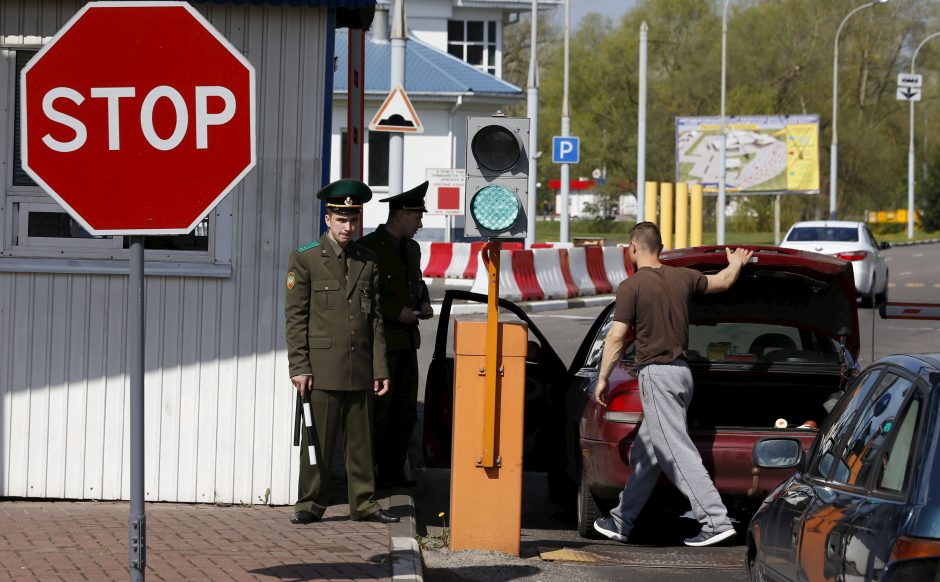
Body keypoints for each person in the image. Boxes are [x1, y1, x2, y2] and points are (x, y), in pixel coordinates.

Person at [592, 221, 752, 547]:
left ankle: (715, 521)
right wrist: (735, 263)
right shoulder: (683, 276)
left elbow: (617, 337)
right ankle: (622, 521)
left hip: (657, 375)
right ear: (661, 248)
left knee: (675, 451)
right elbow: (722, 281)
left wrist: (604, 377)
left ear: (633, 248)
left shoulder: (631, 286)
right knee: (648, 453)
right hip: (682, 374)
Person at [284, 178, 399, 525]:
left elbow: (376, 318)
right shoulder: (305, 258)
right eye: (341, 219)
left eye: (353, 219)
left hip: (360, 365)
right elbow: (295, 317)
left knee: (361, 443)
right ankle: (310, 503)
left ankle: (363, 503)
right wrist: (299, 366)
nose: (348, 226)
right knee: (316, 441)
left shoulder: (368, 260)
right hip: (321, 367)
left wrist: (380, 367)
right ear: (328, 219)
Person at [359, 181, 432, 489]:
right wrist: (394, 311)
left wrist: (423, 300)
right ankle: (368, 474)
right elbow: (364, 295)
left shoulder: (412, 249)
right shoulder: (370, 248)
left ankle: (393, 470)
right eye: (417, 217)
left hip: (407, 343)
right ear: (401, 215)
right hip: (381, 343)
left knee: (405, 411)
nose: (421, 224)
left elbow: (415, 281)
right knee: (379, 412)